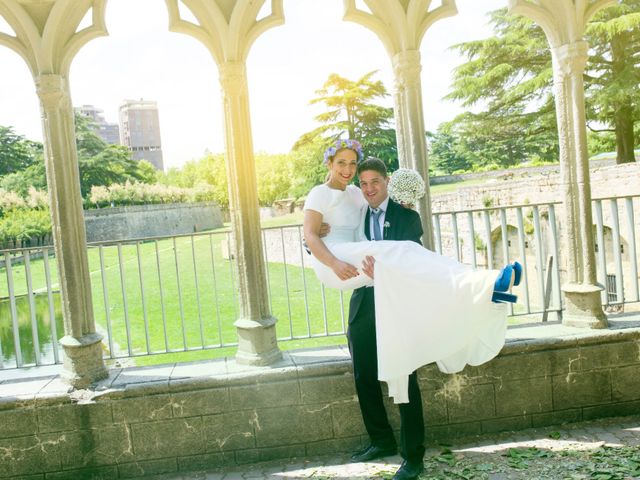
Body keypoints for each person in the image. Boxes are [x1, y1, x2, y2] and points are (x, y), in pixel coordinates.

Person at [303, 138, 520, 404]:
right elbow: (310, 237)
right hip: (336, 263)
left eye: (352, 163)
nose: (347, 170)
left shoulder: (356, 193)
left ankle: (485, 288)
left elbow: (379, 202)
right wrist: (333, 261)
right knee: (399, 250)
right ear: (329, 163)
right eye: (341, 163)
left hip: (367, 269)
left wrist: (403, 206)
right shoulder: (318, 193)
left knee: (403, 251)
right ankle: (487, 282)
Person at [346, 157, 427, 480]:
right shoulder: (355, 216)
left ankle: (413, 458)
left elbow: (414, 261)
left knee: (405, 379)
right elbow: (333, 245)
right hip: (364, 305)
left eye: (374, 183)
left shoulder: (408, 217)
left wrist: (387, 273)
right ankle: (381, 440)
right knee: (364, 375)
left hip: (397, 305)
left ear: (387, 181)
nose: (369, 190)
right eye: (363, 184)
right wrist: (318, 234)